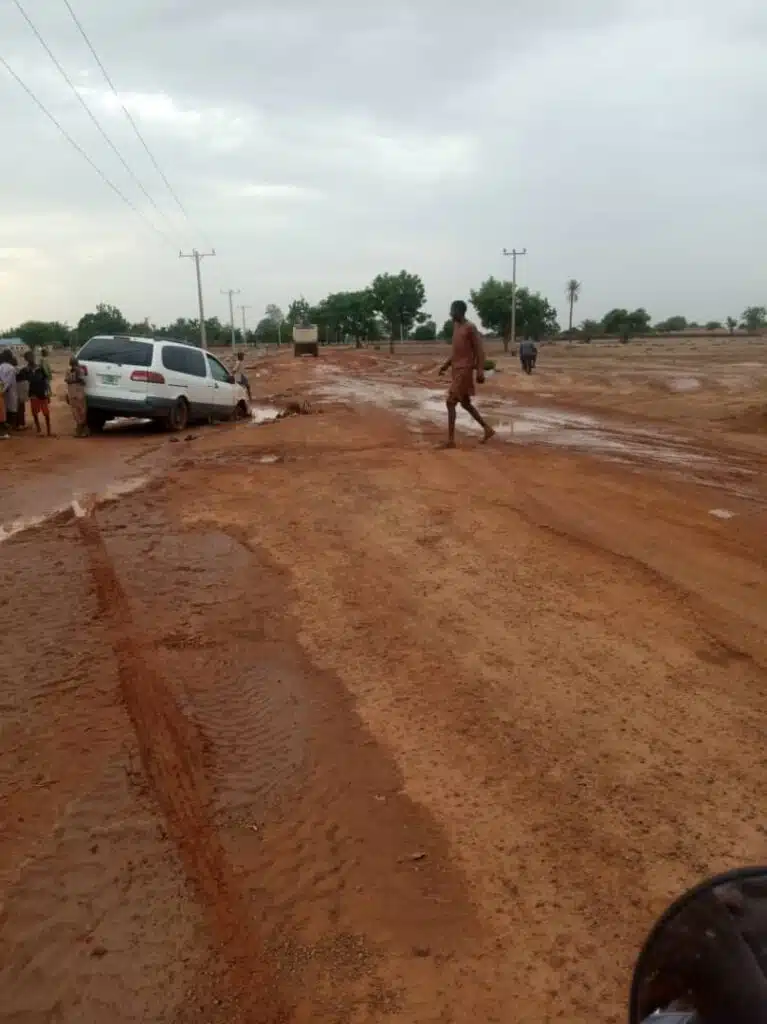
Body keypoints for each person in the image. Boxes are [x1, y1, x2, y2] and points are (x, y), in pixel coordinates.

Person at [438, 300, 494, 448]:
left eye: (452, 311)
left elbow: (479, 351)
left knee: (450, 402)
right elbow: (456, 351)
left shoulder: (470, 328)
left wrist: (480, 371)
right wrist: (446, 365)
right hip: (456, 370)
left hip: (465, 370)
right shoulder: (456, 327)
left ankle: (450, 441)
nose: (450, 314)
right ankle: (487, 429)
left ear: (460, 312)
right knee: (465, 403)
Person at [28, 355, 52, 436]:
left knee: (46, 413)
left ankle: (48, 431)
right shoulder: (27, 370)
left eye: (31, 358)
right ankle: (38, 428)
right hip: (33, 394)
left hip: (41, 393)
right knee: (35, 413)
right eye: (28, 358)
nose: (30, 359)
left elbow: (46, 381)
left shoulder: (40, 369)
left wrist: (48, 393)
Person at [65, 357, 89, 437]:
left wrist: (77, 375)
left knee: (81, 412)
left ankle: (81, 431)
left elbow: (83, 382)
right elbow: (67, 380)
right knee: (75, 412)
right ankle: (81, 430)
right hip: (72, 394)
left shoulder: (80, 371)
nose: (74, 366)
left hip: (79, 394)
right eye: (72, 364)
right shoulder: (68, 371)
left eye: (74, 364)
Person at [0, 349, 19, 433]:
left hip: (1, 391)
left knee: (4, 410)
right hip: (9, 391)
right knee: (12, 409)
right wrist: (3, 390)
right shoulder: (11, 368)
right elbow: (8, 382)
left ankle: (6, 427)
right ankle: (11, 429)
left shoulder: (0, 366)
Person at [15, 350, 34, 428]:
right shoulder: (26, 368)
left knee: (20, 406)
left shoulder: (26, 368)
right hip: (21, 389)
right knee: (20, 407)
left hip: (21, 389)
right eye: (30, 357)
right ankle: (20, 424)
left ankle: (19, 423)